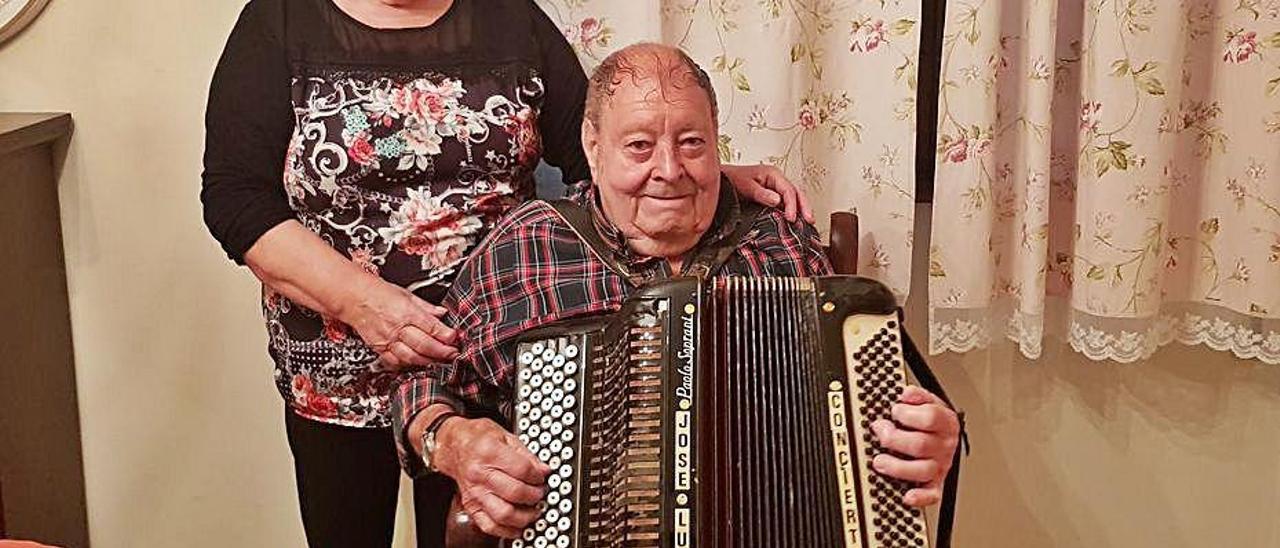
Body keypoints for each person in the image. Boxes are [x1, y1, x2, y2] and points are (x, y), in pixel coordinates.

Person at [199, 1, 812, 545]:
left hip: (498, 347)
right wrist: (364, 303)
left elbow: (593, 149)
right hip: (341, 360)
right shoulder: (279, 22)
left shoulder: (510, 17)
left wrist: (688, 181)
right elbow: (235, 199)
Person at [392, 43, 962, 540]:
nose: (669, 169)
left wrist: (919, 441)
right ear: (593, 148)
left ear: (717, 142)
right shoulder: (527, 246)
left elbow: (865, 419)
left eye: (691, 143)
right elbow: (426, 376)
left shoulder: (780, 243)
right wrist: (450, 439)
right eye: (639, 146)